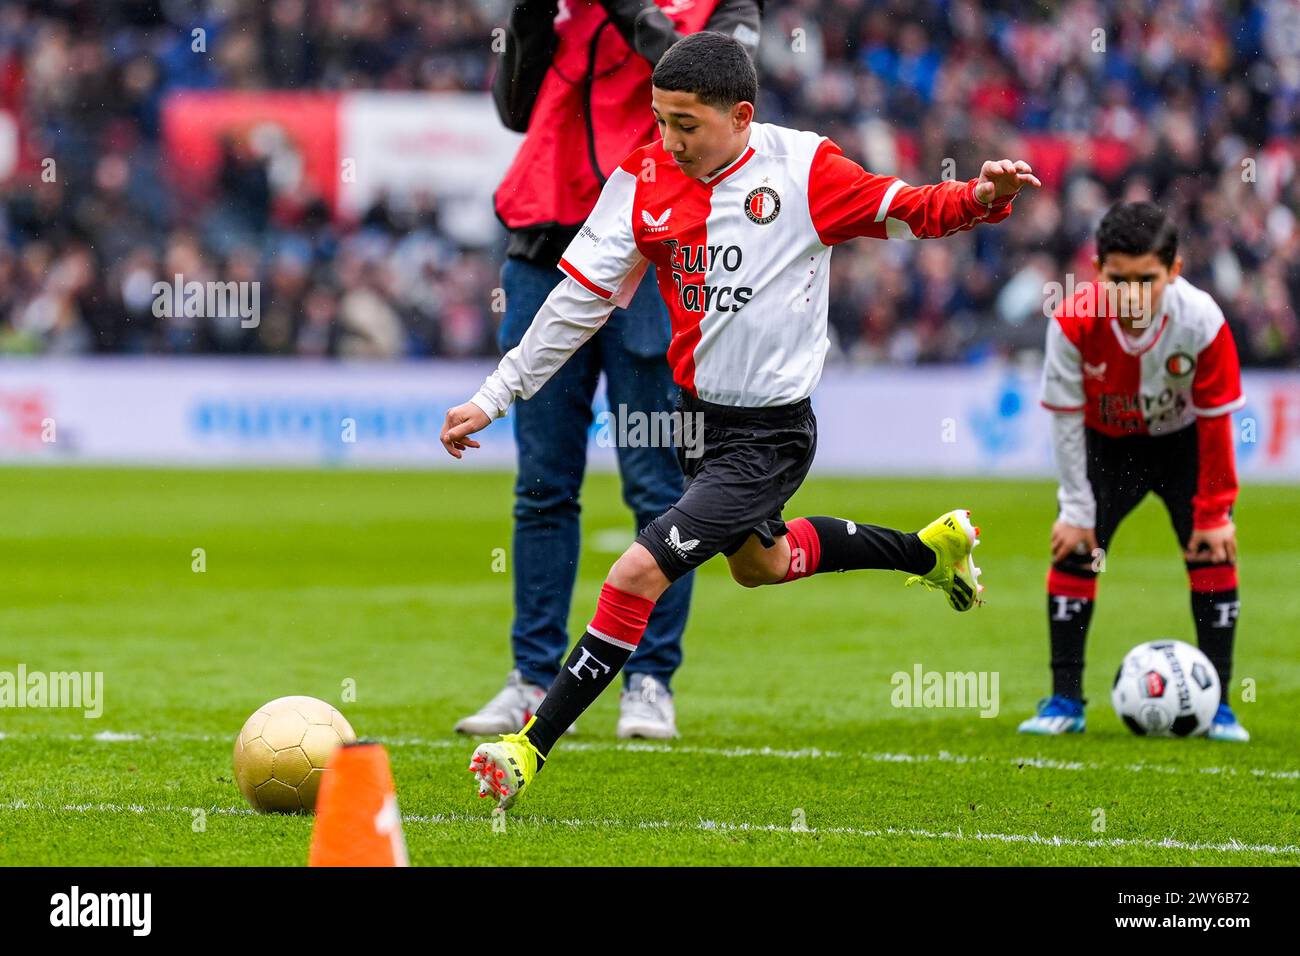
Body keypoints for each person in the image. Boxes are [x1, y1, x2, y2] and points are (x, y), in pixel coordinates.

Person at [441, 31, 1038, 808]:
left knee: (636, 570)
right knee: (761, 564)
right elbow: (577, 302)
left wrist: (981, 198)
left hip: (770, 434)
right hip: (697, 425)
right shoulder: (644, 175)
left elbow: (906, 209)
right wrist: (493, 395)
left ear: (741, 115)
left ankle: (529, 746)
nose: (670, 139)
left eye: (686, 124)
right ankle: (930, 553)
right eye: (660, 120)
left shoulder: (803, 169)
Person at [454, 0, 763, 740]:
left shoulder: (722, 8)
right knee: (541, 485)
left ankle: (650, 682)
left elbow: (703, 81)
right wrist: (532, 13)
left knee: (658, 487)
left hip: (657, 248)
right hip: (544, 241)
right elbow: (514, 107)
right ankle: (530, 678)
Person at [1019, 201, 1249, 741]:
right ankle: (1065, 702)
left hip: (1183, 446)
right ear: (1098, 271)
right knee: (1076, 550)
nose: (1132, 297)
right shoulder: (1073, 323)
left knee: (1211, 552)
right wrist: (1076, 510)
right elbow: (1067, 421)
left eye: (1147, 280)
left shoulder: (1203, 321)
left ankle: (1218, 707)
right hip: (1107, 450)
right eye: (1118, 280)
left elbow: (1217, 425)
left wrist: (1215, 513)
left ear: (1174, 271)